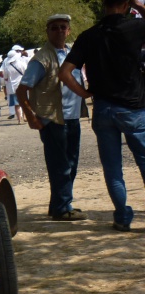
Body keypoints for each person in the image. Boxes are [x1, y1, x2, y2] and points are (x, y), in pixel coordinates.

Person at [59, 0, 145, 231]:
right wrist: (138, 4)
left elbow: (64, 72)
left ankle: (122, 217)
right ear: (126, 5)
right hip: (133, 107)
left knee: (112, 168)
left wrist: (84, 93)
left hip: (103, 108)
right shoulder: (135, 27)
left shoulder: (88, 36)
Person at [17, 15, 87, 222]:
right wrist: (31, 116)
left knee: (71, 164)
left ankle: (59, 204)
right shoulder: (42, 59)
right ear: (47, 32)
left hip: (72, 117)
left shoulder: (70, 53)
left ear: (69, 31)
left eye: (63, 27)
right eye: (54, 28)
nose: (59, 31)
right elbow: (22, 90)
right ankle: (62, 208)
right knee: (61, 166)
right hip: (53, 118)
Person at [0, 47, 28, 123]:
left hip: (12, 87)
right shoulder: (21, 64)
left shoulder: (7, 67)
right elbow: (26, 73)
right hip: (22, 85)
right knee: (24, 102)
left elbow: (5, 78)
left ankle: (19, 120)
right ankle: (25, 117)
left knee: (17, 105)